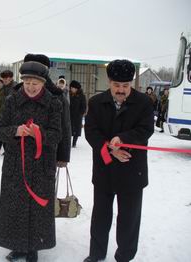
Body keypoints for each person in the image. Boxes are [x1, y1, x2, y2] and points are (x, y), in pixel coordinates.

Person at [83, 59, 154, 262]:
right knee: (100, 218)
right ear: (109, 82)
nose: (121, 90)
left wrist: (124, 139)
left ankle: (124, 256)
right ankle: (96, 254)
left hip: (132, 170)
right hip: (105, 169)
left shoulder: (144, 103)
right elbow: (91, 132)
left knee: (129, 219)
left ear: (131, 83)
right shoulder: (96, 103)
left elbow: (146, 129)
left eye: (125, 86)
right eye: (117, 85)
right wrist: (110, 149)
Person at [0, 61, 62, 262]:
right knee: (15, 208)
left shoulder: (53, 103)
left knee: (37, 210)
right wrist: (16, 131)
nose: (31, 87)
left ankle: (34, 247)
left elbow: (57, 134)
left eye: (36, 83)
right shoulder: (12, 100)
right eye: (27, 82)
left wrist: (39, 134)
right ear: (22, 81)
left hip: (42, 167)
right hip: (16, 165)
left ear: (43, 83)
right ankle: (17, 246)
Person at [20, 54, 71, 168]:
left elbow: (65, 125)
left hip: (46, 153)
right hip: (18, 154)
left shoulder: (57, 95)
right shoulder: (16, 93)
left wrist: (63, 155)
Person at [0, 70, 17, 154]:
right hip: (2, 117)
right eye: (4, 78)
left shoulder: (16, 88)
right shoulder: (2, 89)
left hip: (12, 119)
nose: (5, 80)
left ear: (11, 78)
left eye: (7, 78)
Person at [69, 80, 87, 147]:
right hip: (69, 115)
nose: (72, 89)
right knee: (69, 129)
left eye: (74, 88)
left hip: (77, 116)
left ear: (77, 89)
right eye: (71, 88)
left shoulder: (81, 96)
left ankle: (74, 143)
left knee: (76, 130)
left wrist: (81, 113)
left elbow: (84, 105)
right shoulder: (68, 94)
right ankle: (68, 142)